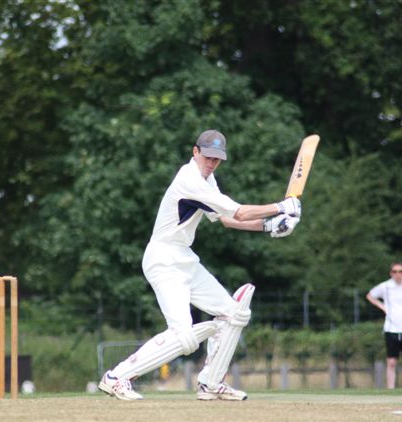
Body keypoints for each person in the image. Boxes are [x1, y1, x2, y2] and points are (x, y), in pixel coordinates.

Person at [98, 130, 302, 400]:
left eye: (217, 159)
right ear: (195, 152)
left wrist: (269, 226)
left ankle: (211, 384)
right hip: (163, 259)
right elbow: (238, 211)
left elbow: (227, 219)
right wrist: (280, 207)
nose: (212, 163)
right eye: (207, 157)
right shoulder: (189, 180)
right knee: (182, 336)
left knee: (234, 314)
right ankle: (116, 377)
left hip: (184, 258)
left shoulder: (208, 179)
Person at [366, 262, 402, 389]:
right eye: (394, 271)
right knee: (392, 361)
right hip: (391, 327)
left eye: (400, 271)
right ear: (391, 273)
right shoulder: (386, 286)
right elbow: (370, 295)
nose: (397, 274)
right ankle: (391, 389)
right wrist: (382, 307)